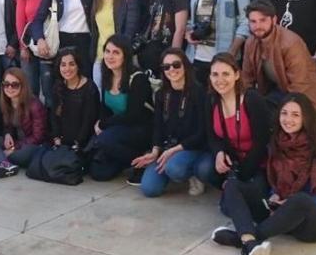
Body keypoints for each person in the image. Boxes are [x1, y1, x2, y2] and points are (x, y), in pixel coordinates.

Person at [213, 93, 316, 255]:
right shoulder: (276, 142)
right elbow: (276, 178)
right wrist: (274, 195)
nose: (288, 119)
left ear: (306, 118)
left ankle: (242, 239)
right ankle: (250, 242)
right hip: (280, 213)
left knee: (300, 200)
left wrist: (289, 203)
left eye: (295, 115)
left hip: (312, 222)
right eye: (284, 113)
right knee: (233, 185)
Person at [133, 49, 210, 197]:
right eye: (166, 67)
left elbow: (203, 132)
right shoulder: (162, 94)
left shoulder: (198, 92)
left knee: (174, 168)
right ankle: (172, 166)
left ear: (185, 66)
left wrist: (174, 151)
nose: (171, 70)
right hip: (169, 146)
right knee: (149, 189)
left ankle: (192, 173)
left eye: (176, 65)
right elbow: (158, 126)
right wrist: (156, 150)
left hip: (193, 146)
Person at [88, 35, 153, 181]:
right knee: (98, 172)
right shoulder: (107, 76)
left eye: (116, 52)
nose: (110, 56)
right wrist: (101, 122)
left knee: (104, 140)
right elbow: (105, 108)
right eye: (107, 51)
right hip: (119, 130)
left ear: (126, 55)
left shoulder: (138, 78)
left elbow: (133, 115)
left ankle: (141, 162)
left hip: (140, 129)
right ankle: (126, 161)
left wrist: (103, 125)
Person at [242, 0, 316, 111]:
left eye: (263, 20)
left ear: (274, 20)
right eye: (253, 21)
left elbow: (300, 85)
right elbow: (246, 78)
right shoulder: (251, 42)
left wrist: (284, 112)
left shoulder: (290, 43)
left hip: (306, 93)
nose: (258, 26)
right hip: (278, 89)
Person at [205, 52, 272, 194]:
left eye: (226, 74)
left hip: (256, 162)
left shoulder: (252, 99)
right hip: (232, 160)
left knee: (251, 195)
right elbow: (212, 136)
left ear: (236, 75)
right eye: (215, 74)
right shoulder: (211, 101)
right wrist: (219, 153)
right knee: (206, 171)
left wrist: (240, 176)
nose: (220, 80)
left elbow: (262, 142)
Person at [30, 0, 95, 78]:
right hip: (61, 41)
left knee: (84, 81)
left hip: (85, 42)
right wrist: (40, 39)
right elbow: (37, 20)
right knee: (61, 83)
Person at [0, 68, 47, 178]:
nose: (9, 88)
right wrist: (7, 134)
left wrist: (13, 149)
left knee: (24, 152)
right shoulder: (7, 102)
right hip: (17, 143)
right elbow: (8, 126)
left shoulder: (34, 105)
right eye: (6, 84)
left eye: (15, 84)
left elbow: (38, 137)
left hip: (32, 146)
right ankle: (6, 165)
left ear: (23, 86)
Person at [90, 0, 140, 88]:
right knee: (100, 100)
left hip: (119, 59)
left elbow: (130, 30)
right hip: (100, 58)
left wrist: (120, 56)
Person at [16, 0, 57, 102]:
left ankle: (50, 125)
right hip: (29, 45)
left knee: (49, 90)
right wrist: (23, 47)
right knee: (29, 91)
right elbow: (20, 20)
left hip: (52, 44)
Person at [50, 48, 99, 154]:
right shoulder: (58, 86)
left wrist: (77, 144)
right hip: (61, 141)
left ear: (78, 66)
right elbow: (54, 117)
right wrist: (56, 139)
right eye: (63, 65)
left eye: (72, 64)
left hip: (83, 142)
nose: (67, 69)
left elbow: (88, 121)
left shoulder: (89, 88)